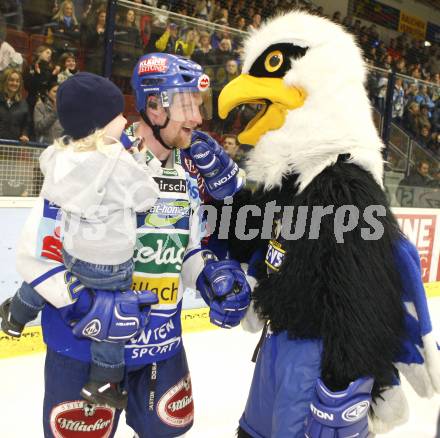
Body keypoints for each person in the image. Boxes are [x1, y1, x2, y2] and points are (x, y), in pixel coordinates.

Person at [1, 53, 250, 438]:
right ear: (153, 104)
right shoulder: (94, 156)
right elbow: (40, 251)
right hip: (85, 346)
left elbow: (186, 248)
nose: (198, 119)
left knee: (166, 431)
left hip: (161, 342)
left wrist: (207, 278)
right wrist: (87, 305)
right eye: (188, 105)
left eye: (198, 106)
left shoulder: (187, 171)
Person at [1, 72, 161, 409]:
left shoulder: (61, 155)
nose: (125, 119)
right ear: (101, 124)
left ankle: (15, 314)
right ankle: (104, 381)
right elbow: (147, 196)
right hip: (110, 263)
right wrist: (140, 158)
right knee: (113, 318)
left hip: (72, 253)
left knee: (44, 280)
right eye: (119, 115)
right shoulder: (117, 163)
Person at [0, 68, 30, 142]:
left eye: (17, 81)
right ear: (4, 81)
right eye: (11, 80)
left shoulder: (24, 103)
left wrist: (24, 134)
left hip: (13, 146)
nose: (15, 83)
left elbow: (26, 124)